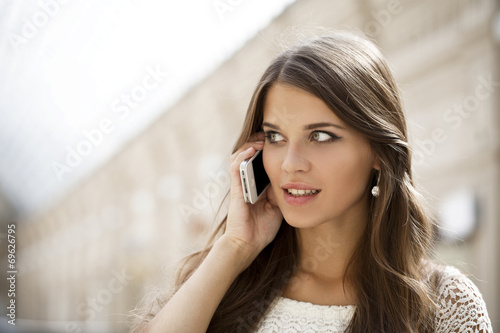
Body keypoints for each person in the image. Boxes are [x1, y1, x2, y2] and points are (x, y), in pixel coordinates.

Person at [129, 31, 492, 332]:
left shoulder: (443, 302)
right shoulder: (227, 283)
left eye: (320, 136)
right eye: (274, 137)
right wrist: (235, 246)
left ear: (379, 153)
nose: (290, 164)